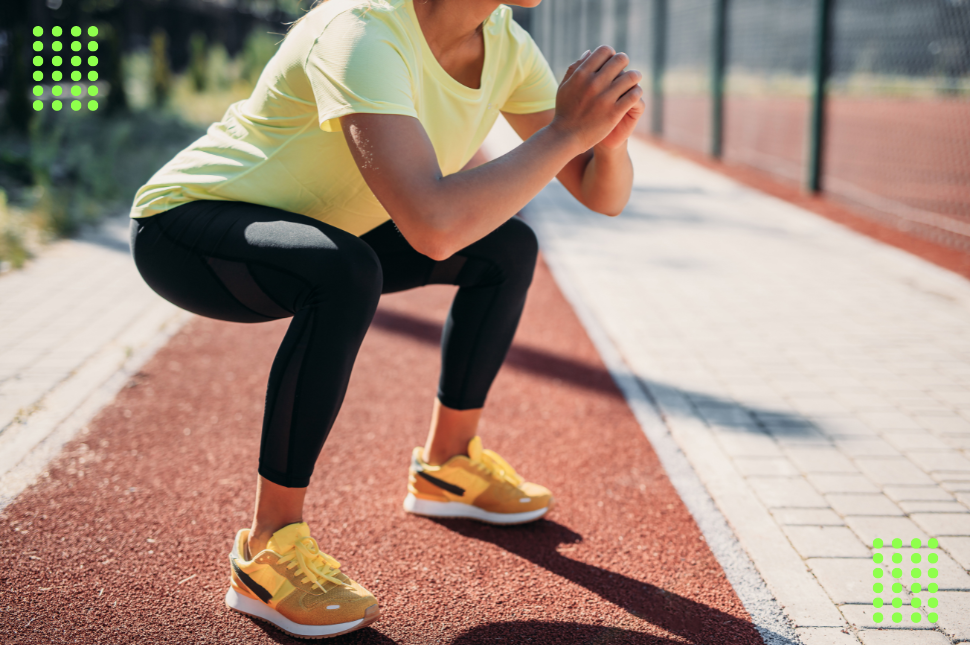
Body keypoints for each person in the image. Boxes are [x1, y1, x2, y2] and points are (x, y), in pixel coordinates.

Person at [128, 0, 643, 638]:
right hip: (188, 226)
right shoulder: (362, 31)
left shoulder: (504, 44)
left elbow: (603, 193)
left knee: (505, 250)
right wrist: (563, 133)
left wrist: (604, 140)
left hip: (329, 229)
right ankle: (268, 549)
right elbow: (432, 225)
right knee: (344, 272)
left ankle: (448, 466)